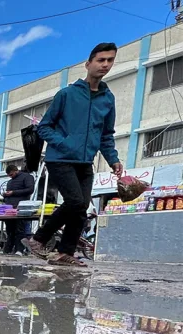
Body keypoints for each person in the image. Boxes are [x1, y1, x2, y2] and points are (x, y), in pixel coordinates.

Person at [24, 43, 123, 267]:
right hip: (59, 158)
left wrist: (113, 159)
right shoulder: (67, 94)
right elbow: (44, 127)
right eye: (101, 60)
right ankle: (38, 239)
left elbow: (106, 134)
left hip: (85, 161)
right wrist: (64, 143)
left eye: (110, 60)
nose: (105, 64)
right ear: (88, 64)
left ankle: (64, 253)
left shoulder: (108, 99)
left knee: (81, 208)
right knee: (75, 201)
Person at [3, 165, 35, 255]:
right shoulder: (10, 182)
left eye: (11, 174)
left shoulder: (27, 177)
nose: (10, 176)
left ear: (16, 170)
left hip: (21, 207)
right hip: (9, 209)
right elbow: (8, 193)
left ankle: (19, 250)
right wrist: (5, 195)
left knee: (19, 229)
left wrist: (14, 192)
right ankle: (8, 250)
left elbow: (30, 189)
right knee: (9, 230)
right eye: (9, 175)